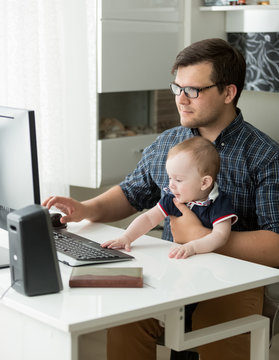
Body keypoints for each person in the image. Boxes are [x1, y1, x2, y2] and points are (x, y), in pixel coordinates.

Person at [43, 38, 279, 360]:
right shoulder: (169, 141)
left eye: (193, 90)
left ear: (228, 92)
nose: (181, 100)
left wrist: (201, 239)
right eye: (177, 88)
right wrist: (87, 209)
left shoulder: (265, 156)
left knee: (223, 333)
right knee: (126, 321)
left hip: (234, 281)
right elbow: (130, 194)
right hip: (173, 270)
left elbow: (276, 245)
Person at [101, 136, 237, 259]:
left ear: (204, 183)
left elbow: (220, 236)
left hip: (211, 264)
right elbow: (148, 218)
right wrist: (127, 237)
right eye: (170, 177)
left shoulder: (219, 202)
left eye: (178, 180)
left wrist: (193, 247)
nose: (171, 185)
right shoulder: (173, 198)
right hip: (178, 260)